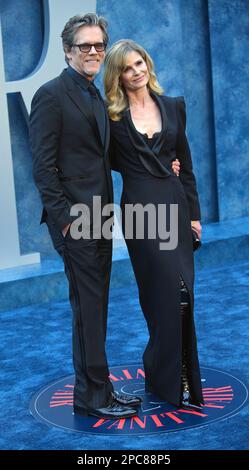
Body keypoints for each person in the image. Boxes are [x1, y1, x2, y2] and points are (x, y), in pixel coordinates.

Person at [29, 14, 143, 419]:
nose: (93, 52)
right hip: (75, 222)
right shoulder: (51, 95)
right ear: (67, 51)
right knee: (88, 311)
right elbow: (42, 168)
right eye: (84, 46)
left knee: (97, 310)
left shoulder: (97, 94)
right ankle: (92, 398)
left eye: (98, 46)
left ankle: (99, 390)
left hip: (100, 219)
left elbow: (105, 156)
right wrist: (65, 221)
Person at [104, 39, 204, 409]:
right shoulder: (111, 117)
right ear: (119, 75)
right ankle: (166, 380)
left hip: (176, 209)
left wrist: (194, 215)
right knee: (161, 295)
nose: (137, 71)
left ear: (148, 64)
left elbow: (186, 165)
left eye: (141, 62)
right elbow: (111, 161)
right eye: (128, 67)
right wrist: (151, 169)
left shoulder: (174, 107)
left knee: (184, 296)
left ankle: (178, 376)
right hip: (141, 216)